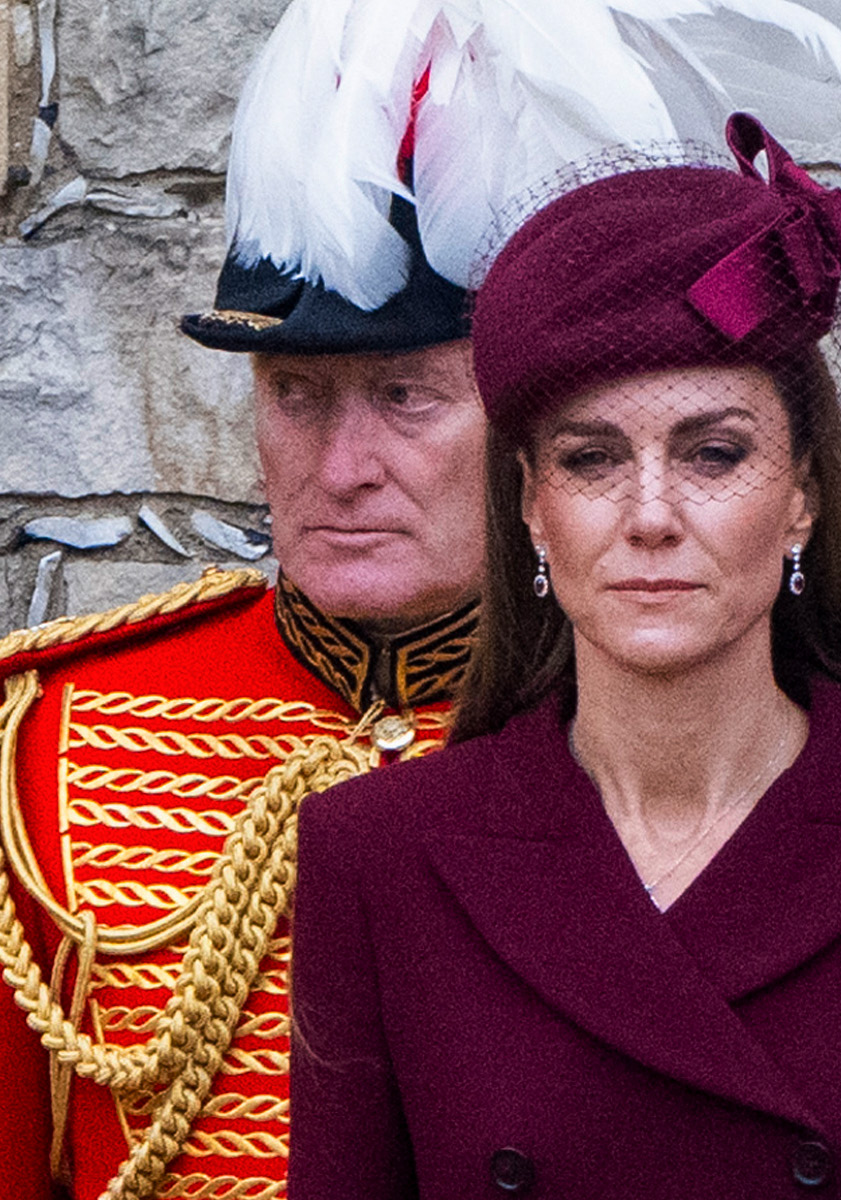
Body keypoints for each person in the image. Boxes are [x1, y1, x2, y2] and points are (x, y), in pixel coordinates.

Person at [287, 110, 841, 1199]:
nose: (652, 516)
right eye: (591, 460)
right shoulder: (379, 855)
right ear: (531, 507)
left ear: (803, 495)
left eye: (714, 454)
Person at [0, 12, 484, 1200]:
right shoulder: (53, 737)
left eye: (407, 395)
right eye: (295, 394)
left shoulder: (643, 732)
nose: (340, 464)